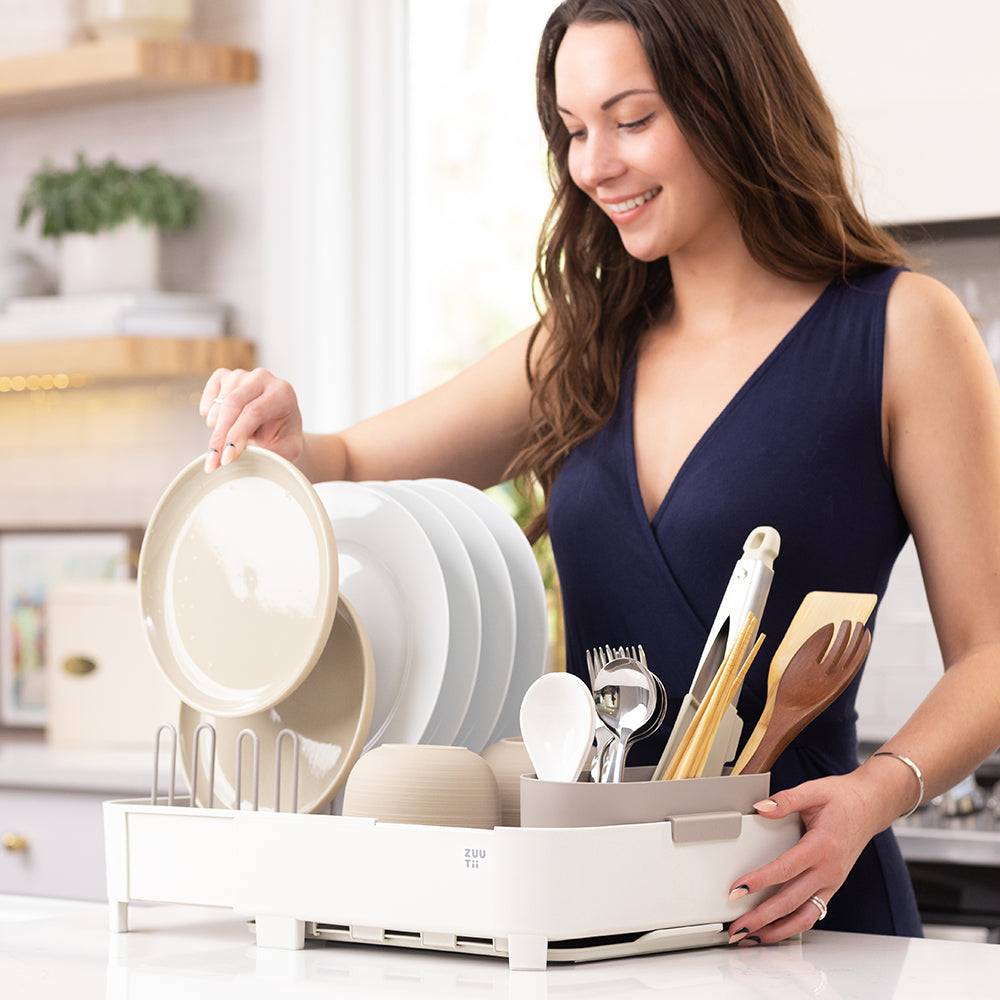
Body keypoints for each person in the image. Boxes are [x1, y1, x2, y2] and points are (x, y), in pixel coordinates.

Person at [199, 0, 1000, 946]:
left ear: (732, 98)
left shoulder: (902, 330)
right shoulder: (580, 348)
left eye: (632, 119)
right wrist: (282, 435)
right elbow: (350, 464)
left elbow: (989, 653)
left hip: (799, 907)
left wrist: (876, 794)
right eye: (575, 131)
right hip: (595, 917)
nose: (594, 165)